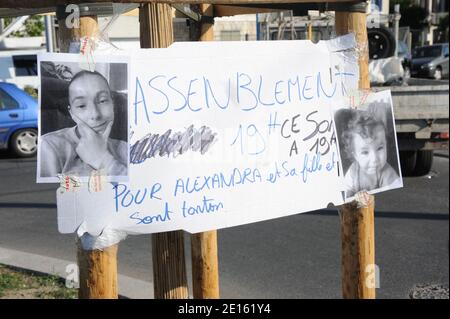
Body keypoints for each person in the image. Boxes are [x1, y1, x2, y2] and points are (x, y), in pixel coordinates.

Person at [40, 70, 127, 179]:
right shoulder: (49, 146)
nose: (95, 115)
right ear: (71, 112)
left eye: (103, 101)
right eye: (81, 106)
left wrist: (103, 159)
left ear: (112, 103)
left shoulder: (126, 149)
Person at [342, 110, 400, 198]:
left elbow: (394, 198)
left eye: (379, 148)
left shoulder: (387, 174)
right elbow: (345, 190)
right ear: (355, 156)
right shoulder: (353, 171)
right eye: (365, 152)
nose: (374, 158)